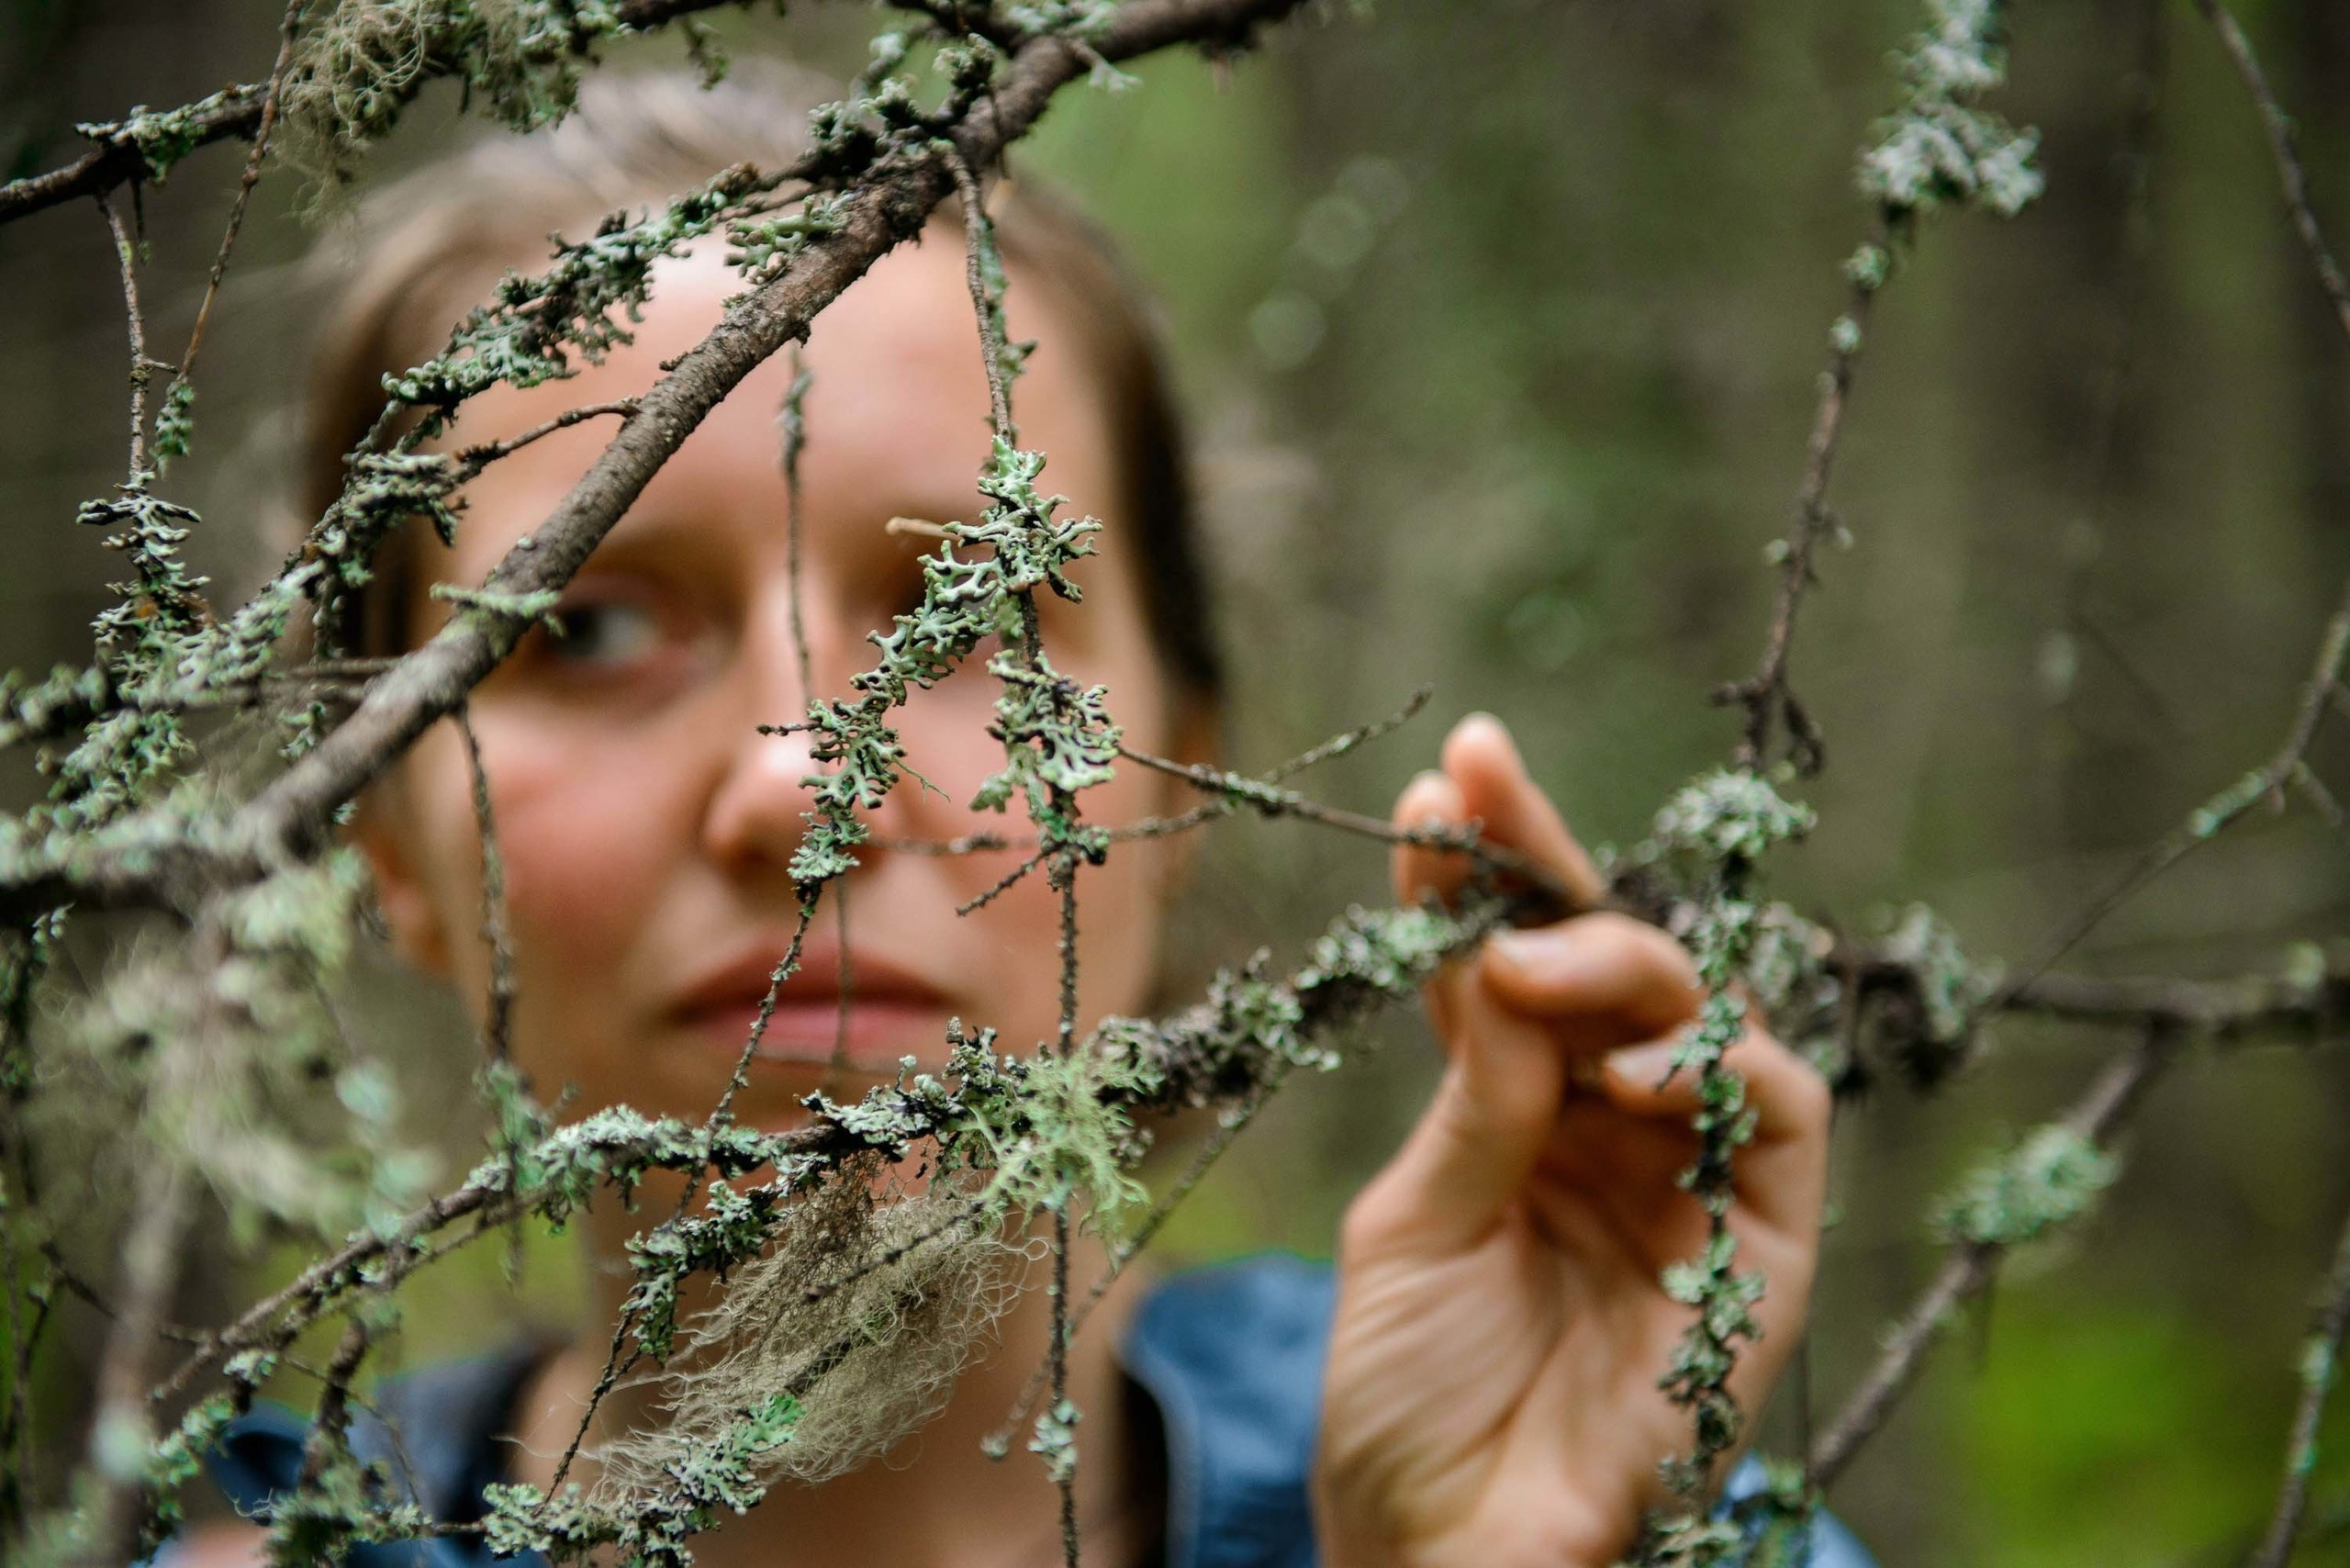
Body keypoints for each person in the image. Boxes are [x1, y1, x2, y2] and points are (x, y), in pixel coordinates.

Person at [168, 63, 1868, 1568]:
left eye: (971, 614)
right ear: (381, 833)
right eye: (592, 627)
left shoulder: (1624, 1507)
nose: (806, 777)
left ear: (1182, 774)